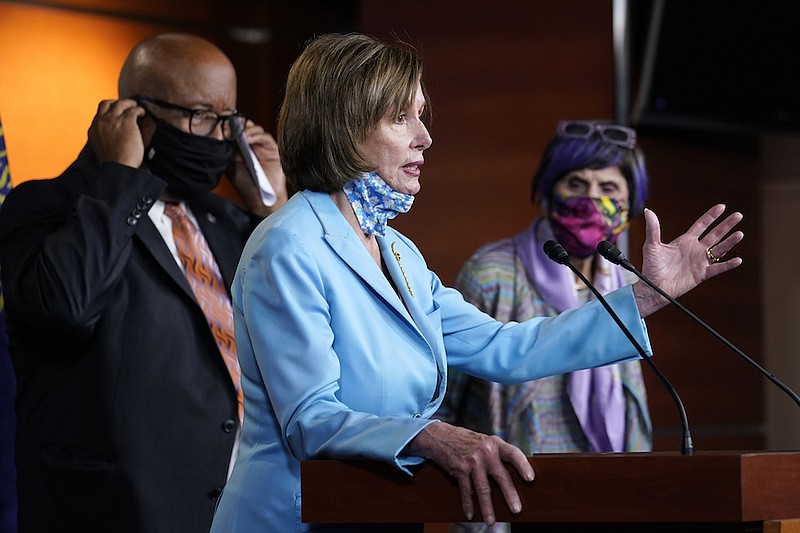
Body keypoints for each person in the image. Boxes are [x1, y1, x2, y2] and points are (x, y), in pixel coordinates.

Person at [209, 33, 743, 533]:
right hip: (291, 517)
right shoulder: (288, 244)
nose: (426, 137)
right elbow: (310, 418)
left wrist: (647, 295)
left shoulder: (397, 250)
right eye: (402, 118)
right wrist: (436, 436)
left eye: (422, 116)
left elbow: (506, 347)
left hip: (373, 512)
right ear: (345, 127)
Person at [0, 33, 287, 532]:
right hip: (119, 514)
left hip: (245, 507)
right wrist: (117, 174)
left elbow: (299, 335)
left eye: (229, 121)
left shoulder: (235, 223)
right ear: (133, 115)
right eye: (200, 116)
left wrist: (273, 210)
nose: (218, 139)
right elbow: (68, 305)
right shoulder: (44, 207)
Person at [438, 119, 653, 533]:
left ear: (631, 203)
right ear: (548, 189)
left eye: (608, 189)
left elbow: (631, 403)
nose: (591, 200)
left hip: (597, 502)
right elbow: (444, 401)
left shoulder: (623, 282)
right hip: (509, 506)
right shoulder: (493, 273)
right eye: (575, 184)